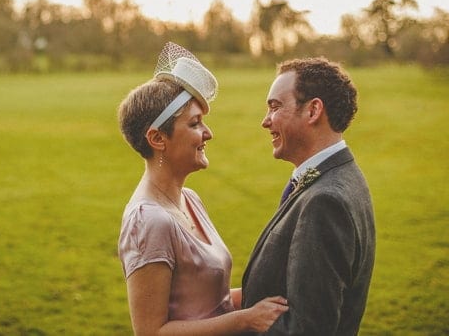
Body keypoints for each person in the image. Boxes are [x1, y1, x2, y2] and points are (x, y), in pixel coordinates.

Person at [117, 42, 289, 335]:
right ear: (158, 138)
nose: (208, 133)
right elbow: (151, 332)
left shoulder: (190, 200)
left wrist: (271, 298)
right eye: (195, 123)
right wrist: (245, 319)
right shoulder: (148, 221)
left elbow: (210, 303)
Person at [241, 57, 376, 335]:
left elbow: (307, 329)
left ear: (313, 110)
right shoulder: (345, 174)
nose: (265, 121)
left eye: (275, 107)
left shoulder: (325, 202)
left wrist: (239, 325)